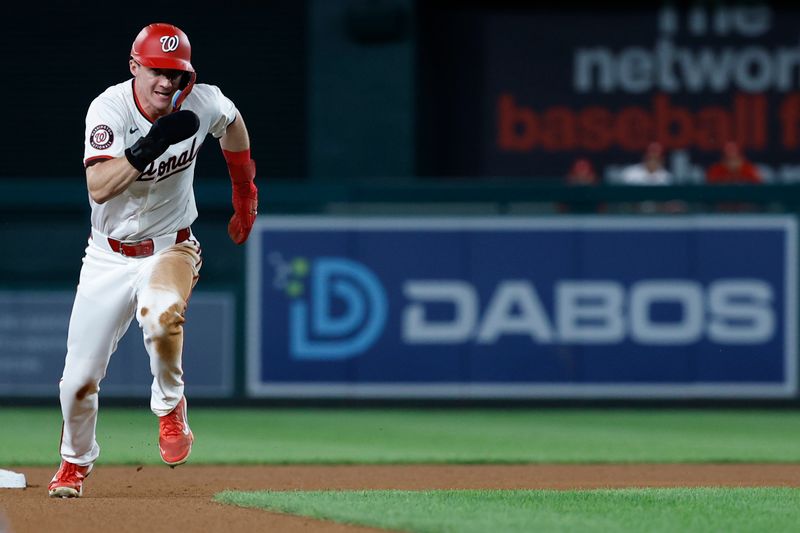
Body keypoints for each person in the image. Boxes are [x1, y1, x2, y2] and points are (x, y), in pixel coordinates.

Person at [48, 23, 258, 498]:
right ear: (134, 67)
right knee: (77, 382)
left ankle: (170, 407)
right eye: (157, 71)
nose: (167, 82)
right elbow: (98, 186)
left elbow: (234, 123)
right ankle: (74, 464)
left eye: (177, 73)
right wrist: (150, 145)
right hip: (106, 256)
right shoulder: (108, 109)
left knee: (161, 314)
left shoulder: (202, 102)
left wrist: (244, 192)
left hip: (171, 245)